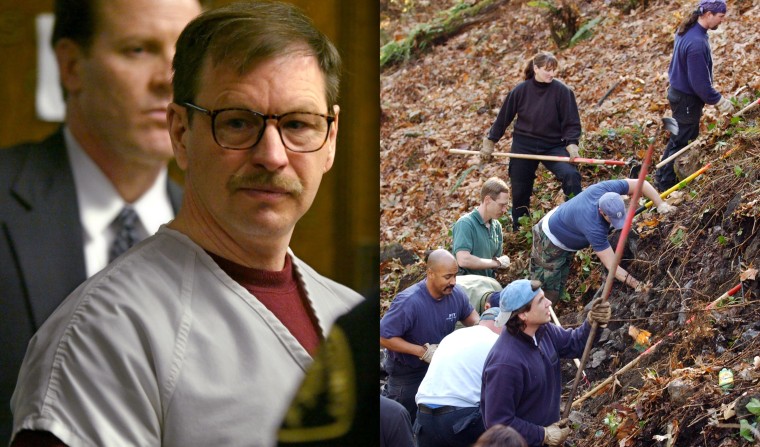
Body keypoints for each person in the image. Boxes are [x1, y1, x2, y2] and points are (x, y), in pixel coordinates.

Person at [10, 2, 364, 446]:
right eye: (236, 122)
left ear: (330, 139)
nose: (273, 155)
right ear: (180, 133)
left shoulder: (351, 315)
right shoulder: (102, 335)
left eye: (298, 124)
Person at [0, 0, 201, 441]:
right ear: (71, 66)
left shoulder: (221, 237)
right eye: (138, 49)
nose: (168, 80)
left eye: (185, 56)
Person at [480, 279, 611, 446]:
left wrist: (593, 324)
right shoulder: (506, 364)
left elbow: (574, 344)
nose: (549, 302)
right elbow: (498, 423)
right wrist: (543, 434)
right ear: (523, 314)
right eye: (541, 300)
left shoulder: (543, 331)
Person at [480, 51, 582, 231]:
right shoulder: (520, 91)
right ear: (535, 68)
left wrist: (572, 145)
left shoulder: (563, 92)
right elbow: (503, 118)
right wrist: (490, 142)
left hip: (552, 146)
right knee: (520, 188)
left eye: (553, 70)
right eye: (547, 70)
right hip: (523, 146)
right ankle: (520, 227)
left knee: (571, 175)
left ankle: (577, 216)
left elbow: (571, 123)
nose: (551, 74)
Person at [530, 179, 675, 302]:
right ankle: (529, 321)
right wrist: (638, 285)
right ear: (601, 212)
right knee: (548, 290)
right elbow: (613, 268)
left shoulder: (608, 190)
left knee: (559, 283)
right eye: (611, 219)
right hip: (548, 240)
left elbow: (640, 183)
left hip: (566, 222)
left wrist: (660, 204)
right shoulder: (593, 227)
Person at [380, 249, 479, 423]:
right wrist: (422, 352)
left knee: (431, 420)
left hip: (440, 369)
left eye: (455, 275)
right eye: (447, 277)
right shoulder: (409, 302)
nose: (453, 281)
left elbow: (474, 321)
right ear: (430, 273)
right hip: (408, 374)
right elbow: (384, 337)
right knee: (399, 420)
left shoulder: (456, 295)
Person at [654, 0, 734, 192]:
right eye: (720, 17)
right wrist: (719, 101)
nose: (722, 21)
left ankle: (664, 177)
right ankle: (665, 183)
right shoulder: (696, 43)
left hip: (679, 94)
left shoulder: (688, 31)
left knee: (680, 137)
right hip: (686, 99)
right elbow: (700, 83)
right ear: (708, 15)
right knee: (681, 141)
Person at [413, 307, 502, 447]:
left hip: (423, 417)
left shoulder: (453, 336)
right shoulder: (497, 341)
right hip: (460, 418)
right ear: (501, 324)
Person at [451, 176, 511, 277]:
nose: (505, 210)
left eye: (506, 205)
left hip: (489, 286)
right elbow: (463, 260)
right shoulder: (465, 224)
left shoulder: (496, 227)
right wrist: (496, 263)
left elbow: (495, 265)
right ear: (487, 200)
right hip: (467, 287)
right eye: (501, 205)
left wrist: (505, 265)